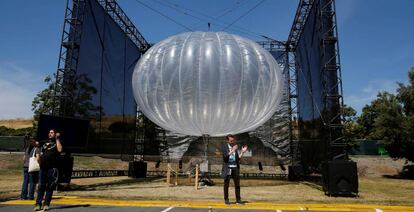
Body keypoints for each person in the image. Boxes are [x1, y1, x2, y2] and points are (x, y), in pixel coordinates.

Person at [34, 129, 63, 211]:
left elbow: (60, 150)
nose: (50, 134)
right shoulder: (44, 142)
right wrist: (30, 139)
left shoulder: (58, 142)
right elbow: (35, 143)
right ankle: (38, 204)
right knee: (41, 186)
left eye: (52, 132)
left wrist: (57, 139)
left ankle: (46, 204)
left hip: (52, 168)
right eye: (49, 132)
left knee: (50, 187)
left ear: (55, 134)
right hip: (43, 167)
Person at [221, 134, 248, 205]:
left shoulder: (234, 147)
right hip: (228, 168)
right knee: (226, 184)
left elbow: (237, 159)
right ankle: (226, 199)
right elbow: (225, 158)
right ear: (227, 141)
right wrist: (232, 151)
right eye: (231, 141)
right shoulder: (224, 147)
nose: (232, 142)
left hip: (235, 168)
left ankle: (238, 200)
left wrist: (242, 152)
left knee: (237, 184)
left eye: (233, 140)